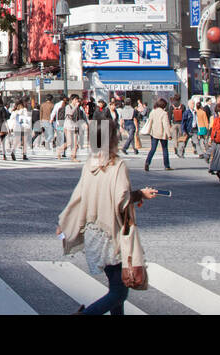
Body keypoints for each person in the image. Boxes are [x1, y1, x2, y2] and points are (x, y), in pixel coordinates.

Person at [56, 115, 160, 315]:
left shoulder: (90, 164)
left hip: (95, 234)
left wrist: (64, 221)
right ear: (113, 138)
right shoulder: (117, 165)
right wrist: (141, 194)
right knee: (119, 294)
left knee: (116, 287)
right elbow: (122, 198)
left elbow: (78, 197)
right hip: (113, 234)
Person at [143, 98, 174, 172]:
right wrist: (169, 134)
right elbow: (166, 125)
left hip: (154, 133)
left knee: (153, 149)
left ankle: (147, 162)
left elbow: (150, 121)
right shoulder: (164, 113)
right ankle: (167, 165)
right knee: (165, 149)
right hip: (162, 133)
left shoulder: (153, 111)